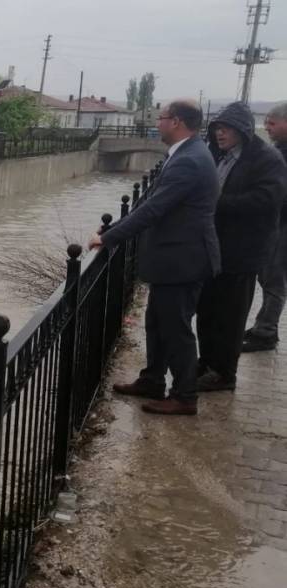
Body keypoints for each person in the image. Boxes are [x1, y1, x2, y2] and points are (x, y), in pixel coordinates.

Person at [88, 99, 220, 416]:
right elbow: (152, 205)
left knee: (176, 329)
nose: (156, 124)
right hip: (174, 259)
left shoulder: (189, 160)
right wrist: (116, 229)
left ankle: (185, 396)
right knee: (158, 324)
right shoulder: (187, 154)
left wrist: (107, 237)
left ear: (175, 122)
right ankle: (152, 380)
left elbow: (153, 209)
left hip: (183, 260)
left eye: (160, 118)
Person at [195, 102, 287, 391]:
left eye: (226, 129)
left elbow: (267, 201)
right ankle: (206, 362)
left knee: (231, 315)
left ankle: (224, 373)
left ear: (243, 130)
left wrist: (218, 204)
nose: (220, 134)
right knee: (208, 309)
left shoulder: (266, 159)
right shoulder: (219, 155)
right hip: (214, 248)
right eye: (217, 129)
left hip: (242, 251)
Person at [242, 102, 287, 352]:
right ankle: (264, 325)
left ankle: (266, 332)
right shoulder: (280, 149)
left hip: (282, 223)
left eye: (272, 123)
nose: (267, 128)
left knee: (273, 277)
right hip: (276, 222)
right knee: (268, 274)